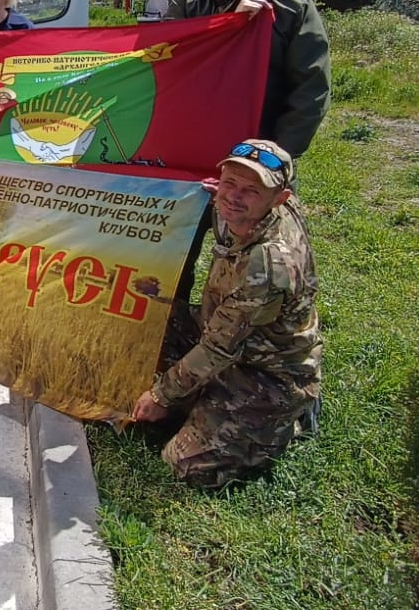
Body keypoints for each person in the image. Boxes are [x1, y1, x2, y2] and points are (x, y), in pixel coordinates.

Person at [129, 138, 322, 489]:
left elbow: (220, 347)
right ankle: (204, 400)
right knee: (139, 320)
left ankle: (283, 421)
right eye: (229, 182)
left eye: (250, 191)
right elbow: (219, 336)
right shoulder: (249, 210)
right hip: (225, 331)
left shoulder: (268, 265)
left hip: (264, 371)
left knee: (186, 464)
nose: (233, 196)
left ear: (280, 199)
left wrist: (162, 396)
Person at [166, 0, 331, 161]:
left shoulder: (295, 9)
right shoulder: (186, 4)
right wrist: (231, 22)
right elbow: (168, 67)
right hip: (189, 150)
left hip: (260, 157)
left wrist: (275, 156)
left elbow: (311, 91)